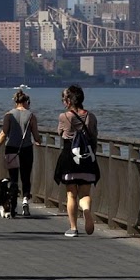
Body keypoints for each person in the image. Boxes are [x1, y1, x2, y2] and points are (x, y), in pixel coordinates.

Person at [54, 85, 99, 237]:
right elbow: (94, 137)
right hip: (87, 159)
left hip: (70, 158)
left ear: (68, 100)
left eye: (64, 99)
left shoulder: (64, 116)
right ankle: (86, 211)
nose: (63, 102)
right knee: (85, 193)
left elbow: (61, 133)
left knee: (71, 194)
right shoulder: (91, 116)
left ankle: (73, 228)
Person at [0, 90, 42, 217]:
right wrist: (38, 140)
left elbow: (3, 133)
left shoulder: (8, 115)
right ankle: (25, 201)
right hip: (26, 149)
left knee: (13, 178)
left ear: (15, 102)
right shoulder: (31, 116)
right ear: (26, 102)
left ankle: (12, 203)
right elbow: (36, 135)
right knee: (25, 176)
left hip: (11, 149)